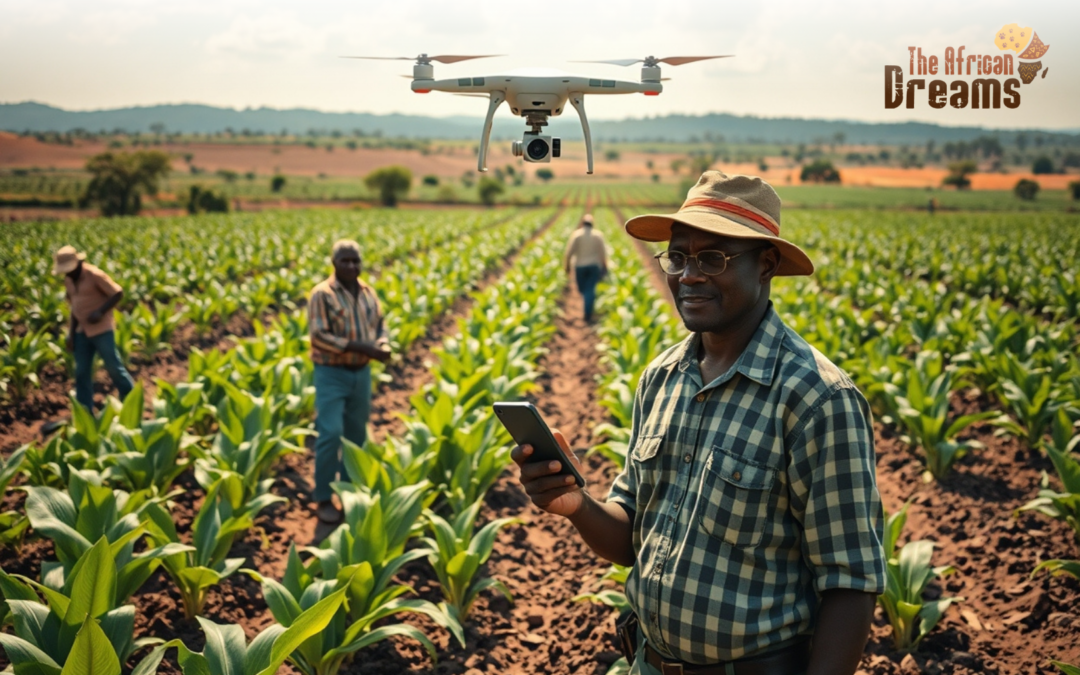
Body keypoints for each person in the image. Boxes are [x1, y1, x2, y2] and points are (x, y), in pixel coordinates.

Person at [513, 172, 886, 675]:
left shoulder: (816, 398)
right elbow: (632, 538)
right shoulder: (661, 378)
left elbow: (851, 583)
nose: (688, 274)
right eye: (679, 255)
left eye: (713, 258)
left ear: (767, 264)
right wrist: (577, 505)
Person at [307, 240, 391, 524]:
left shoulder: (368, 291)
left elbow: (380, 323)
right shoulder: (322, 294)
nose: (352, 266)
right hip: (331, 373)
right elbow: (319, 335)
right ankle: (322, 497)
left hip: (361, 374)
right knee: (330, 432)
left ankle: (348, 492)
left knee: (356, 436)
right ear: (334, 263)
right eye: (345, 261)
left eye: (356, 260)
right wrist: (362, 347)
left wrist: (382, 342)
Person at [54, 245, 135, 413]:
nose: (67, 273)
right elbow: (74, 308)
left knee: (114, 367)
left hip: (102, 329)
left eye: (69, 269)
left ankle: (131, 403)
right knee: (81, 372)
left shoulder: (94, 274)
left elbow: (117, 292)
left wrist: (101, 311)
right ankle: (85, 412)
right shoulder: (69, 280)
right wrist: (71, 334)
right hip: (81, 332)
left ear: (78, 263)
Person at [563, 214, 608, 323]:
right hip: (594, 266)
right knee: (589, 289)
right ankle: (588, 307)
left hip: (580, 266)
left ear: (582, 223)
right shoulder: (598, 236)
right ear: (592, 224)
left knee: (584, 289)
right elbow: (603, 253)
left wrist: (567, 266)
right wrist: (604, 266)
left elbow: (569, 253)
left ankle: (587, 312)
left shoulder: (577, 235)